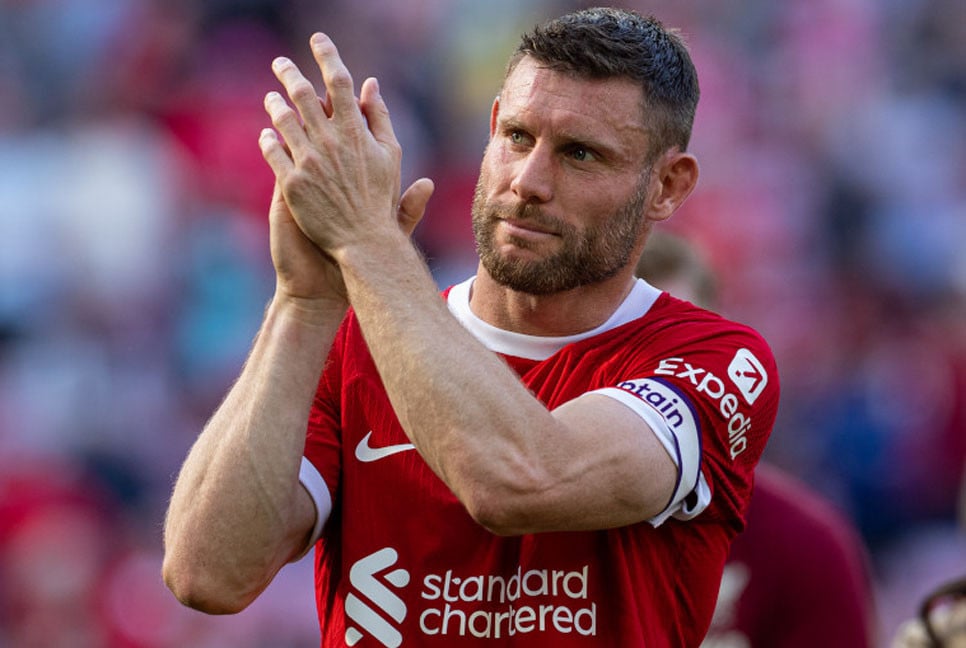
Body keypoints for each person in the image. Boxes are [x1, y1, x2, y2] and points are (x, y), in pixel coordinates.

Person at [162, 8, 779, 646]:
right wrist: (304, 301)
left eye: (580, 154)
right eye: (517, 136)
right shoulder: (357, 342)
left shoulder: (715, 360)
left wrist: (367, 243)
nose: (528, 181)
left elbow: (516, 482)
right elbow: (207, 574)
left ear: (668, 186)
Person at [636, 231, 876, 647]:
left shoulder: (802, 544)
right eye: (626, 344)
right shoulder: (531, 524)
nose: (657, 379)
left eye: (683, 346)